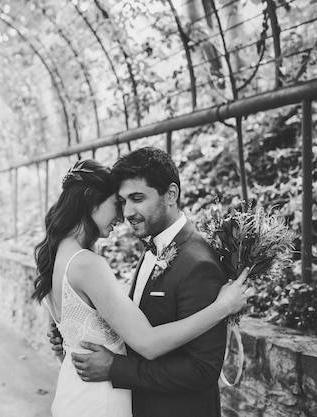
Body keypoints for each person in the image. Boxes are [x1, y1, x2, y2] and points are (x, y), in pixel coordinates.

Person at [34, 157, 248, 417]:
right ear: (91, 200)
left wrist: (98, 358)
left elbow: (202, 368)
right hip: (100, 401)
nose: (124, 215)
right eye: (120, 203)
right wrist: (222, 307)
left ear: (171, 195)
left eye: (136, 199)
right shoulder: (88, 264)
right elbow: (145, 341)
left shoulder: (54, 256)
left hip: (81, 394)